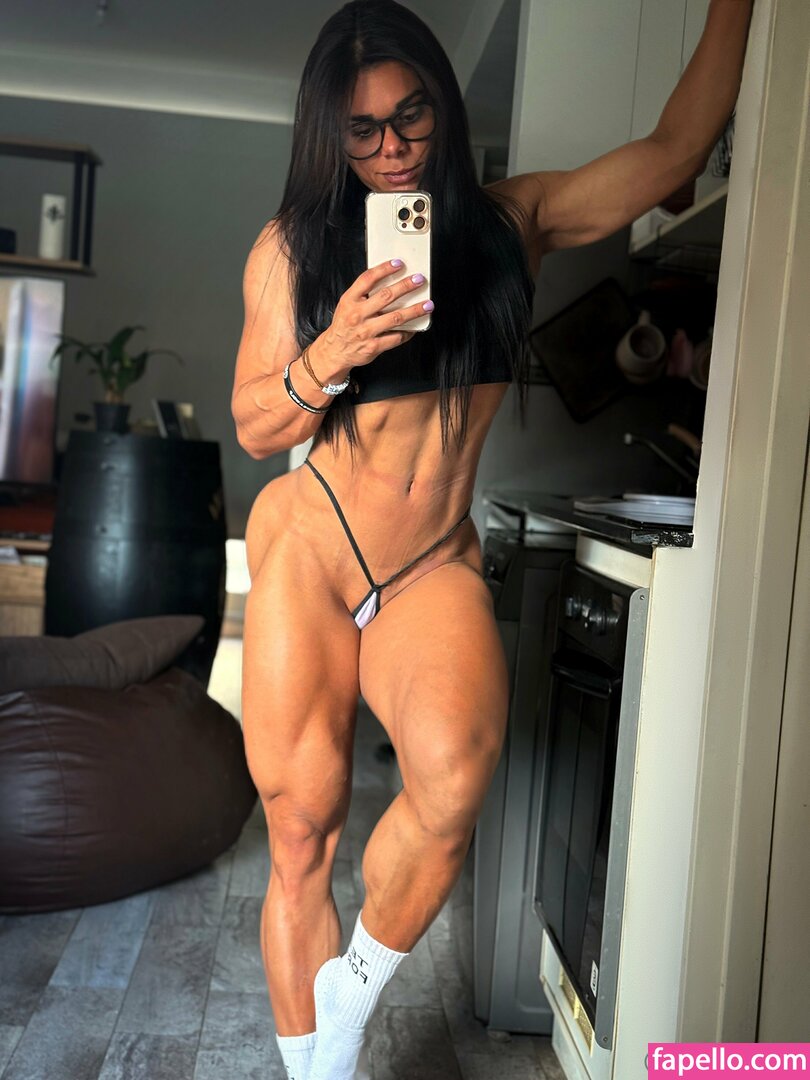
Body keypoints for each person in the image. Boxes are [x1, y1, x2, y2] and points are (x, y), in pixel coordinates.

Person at [231, 2, 753, 1077]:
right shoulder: (292, 249)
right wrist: (332, 351)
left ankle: (350, 991)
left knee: (454, 782)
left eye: (411, 116)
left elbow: (675, 152)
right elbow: (254, 423)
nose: (391, 148)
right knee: (301, 826)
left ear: (444, 107)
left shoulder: (517, 221)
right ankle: (320, 1068)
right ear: (330, 135)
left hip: (429, 560)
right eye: (362, 130)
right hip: (315, 545)